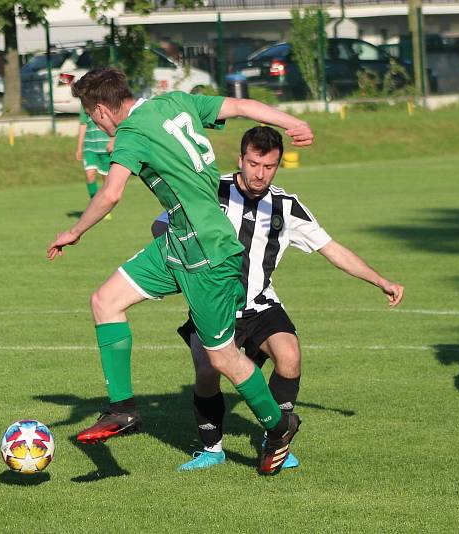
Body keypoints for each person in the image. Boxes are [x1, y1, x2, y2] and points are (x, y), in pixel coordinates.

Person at [47, 67, 314, 475]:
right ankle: (122, 409)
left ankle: (279, 426)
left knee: (223, 357)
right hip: (178, 243)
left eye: (90, 115)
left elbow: (111, 192)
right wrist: (292, 121)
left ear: (101, 110)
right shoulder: (175, 101)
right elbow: (241, 106)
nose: (93, 123)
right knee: (105, 301)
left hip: (208, 251)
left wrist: (75, 230)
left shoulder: (131, 134)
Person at [152, 126, 405, 472]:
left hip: (260, 303)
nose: (260, 173)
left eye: (269, 166)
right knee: (207, 373)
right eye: (254, 163)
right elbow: (160, 225)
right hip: (213, 304)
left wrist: (380, 280)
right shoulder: (211, 191)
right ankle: (212, 450)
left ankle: (276, 440)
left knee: (290, 355)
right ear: (240, 159)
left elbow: (332, 250)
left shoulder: (286, 206)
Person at [75, 105, 114, 203]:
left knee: (107, 181)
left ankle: (105, 206)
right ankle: (94, 203)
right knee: (89, 175)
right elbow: (83, 124)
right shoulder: (85, 103)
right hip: (90, 148)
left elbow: (117, 122)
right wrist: (79, 148)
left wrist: (113, 139)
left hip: (105, 149)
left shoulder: (107, 100)